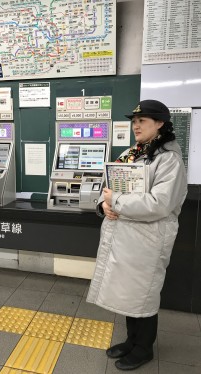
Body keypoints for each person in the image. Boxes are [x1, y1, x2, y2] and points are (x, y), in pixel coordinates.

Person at [87, 100, 188, 371]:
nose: (136, 125)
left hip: (148, 239)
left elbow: (159, 204)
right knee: (128, 293)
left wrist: (116, 201)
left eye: (142, 120)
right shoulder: (134, 153)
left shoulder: (169, 160)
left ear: (160, 124)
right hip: (126, 235)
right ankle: (132, 340)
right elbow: (109, 185)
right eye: (134, 121)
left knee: (143, 295)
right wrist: (104, 204)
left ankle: (143, 348)